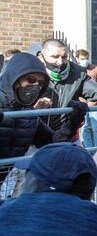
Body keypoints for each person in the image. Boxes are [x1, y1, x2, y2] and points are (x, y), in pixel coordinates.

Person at [0, 53, 86, 181]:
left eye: (40, 83)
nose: (35, 86)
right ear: (14, 77)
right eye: (30, 80)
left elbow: (52, 143)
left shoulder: (29, 115)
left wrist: (72, 123)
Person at [75, 49, 97, 147]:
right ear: (77, 59)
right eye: (83, 59)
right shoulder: (76, 70)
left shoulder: (96, 68)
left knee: (96, 127)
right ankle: (88, 147)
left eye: (87, 58)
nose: (85, 61)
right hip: (82, 103)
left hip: (94, 103)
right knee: (84, 127)